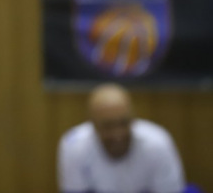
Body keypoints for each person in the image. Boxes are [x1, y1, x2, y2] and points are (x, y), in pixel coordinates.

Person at [57, 82, 186, 193]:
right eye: (108, 126)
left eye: (123, 123)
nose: (117, 134)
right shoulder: (74, 147)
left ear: (133, 119)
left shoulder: (158, 143)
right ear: (93, 125)